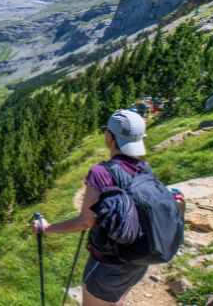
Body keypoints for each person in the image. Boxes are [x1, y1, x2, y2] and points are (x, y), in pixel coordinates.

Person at [34, 110, 152, 306]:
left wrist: (46, 228)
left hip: (109, 263)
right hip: (141, 257)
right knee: (117, 299)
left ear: (109, 136)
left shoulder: (101, 172)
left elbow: (85, 222)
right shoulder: (144, 168)